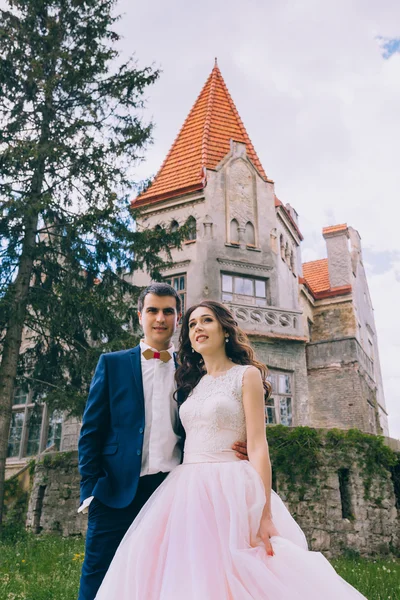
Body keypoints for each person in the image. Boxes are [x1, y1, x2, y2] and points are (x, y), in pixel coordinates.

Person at [94, 300, 367, 600]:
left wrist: (264, 513)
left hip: (231, 488)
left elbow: (258, 444)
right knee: (186, 571)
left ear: (225, 330)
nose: (198, 328)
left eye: (207, 320)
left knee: (242, 567)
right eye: (193, 324)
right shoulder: (191, 384)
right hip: (185, 490)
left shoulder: (246, 375)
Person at [77, 285, 247, 600]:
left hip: (171, 492)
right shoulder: (112, 364)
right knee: (98, 576)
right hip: (114, 490)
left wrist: (240, 442)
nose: (160, 318)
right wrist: (90, 490)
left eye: (168, 311)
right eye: (153, 310)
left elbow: (214, 411)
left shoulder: (192, 369)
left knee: (163, 580)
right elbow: (91, 431)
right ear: (140, 316)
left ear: (177, 317)